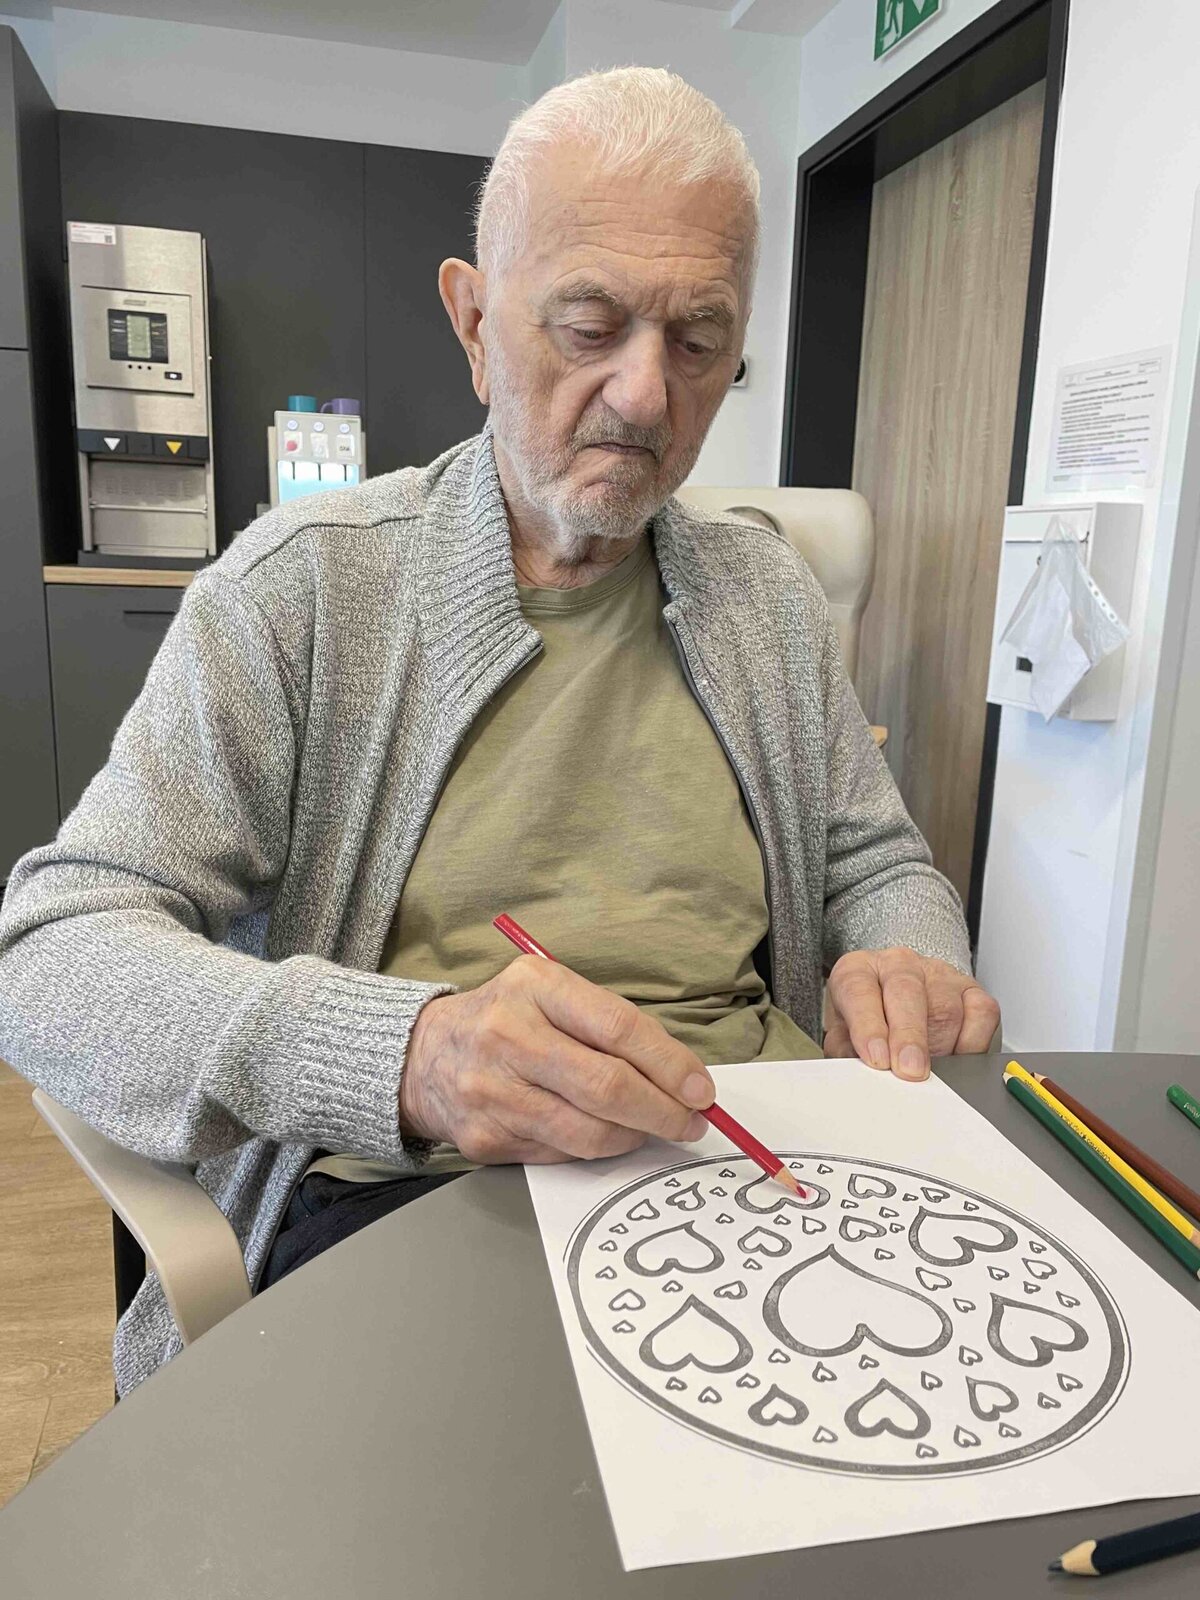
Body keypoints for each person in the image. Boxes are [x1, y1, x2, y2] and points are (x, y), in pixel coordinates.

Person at [0, 68, 998, 1396]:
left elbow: (876, 862)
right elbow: (51, 955)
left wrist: (906, 952)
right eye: (589, 325)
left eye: (700, 341)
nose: (647, 395)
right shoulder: (305, 592)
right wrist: (406, 1057)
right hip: (421, 1196)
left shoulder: (767, 598)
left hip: (756, 1168)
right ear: (473, 321)